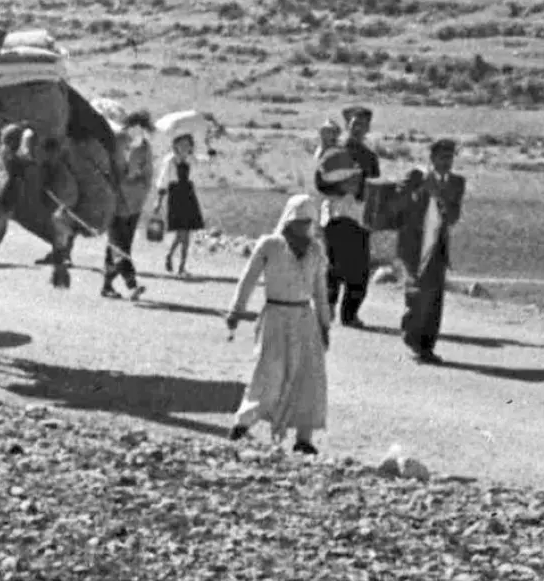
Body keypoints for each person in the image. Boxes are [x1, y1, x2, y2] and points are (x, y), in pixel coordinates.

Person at [226, 194, 330, 455]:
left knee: (308, 378)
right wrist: (236, 309)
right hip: (275, 317)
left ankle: (303, 438)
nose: (304, 226)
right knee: (269, 372)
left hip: (305, 321)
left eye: (308, 221)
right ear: (289, 219)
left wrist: (325, 324)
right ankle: (243, 423)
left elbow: (320, 291)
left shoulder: (316, 250)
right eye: (299, 220)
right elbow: (248, 279)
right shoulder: (270, 245)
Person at [397, 138, 465, 363]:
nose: (446, 162)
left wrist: (440, 196)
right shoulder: (416, 176)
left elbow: (454, 217)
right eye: (442, 157)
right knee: (417, 292)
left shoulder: (456, 183)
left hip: (437, 245)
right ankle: (412, 336)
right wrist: (420, 191)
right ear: (432, 158)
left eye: (450, 157)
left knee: (435, 297)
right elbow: (400, 203)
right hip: (414, 244)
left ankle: (426, 346)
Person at [317, 106, 379, 327]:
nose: (359, 128)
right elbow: (321, 181)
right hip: (336, 214)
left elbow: (373, 188)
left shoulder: (370, 156)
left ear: (368, 127)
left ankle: (349, 314)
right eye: (355, 124)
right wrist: (343, 187)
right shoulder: (333, 151)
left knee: (360, 267)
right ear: (347, 125)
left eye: (363, 124)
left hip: (360, 217)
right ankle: (328, 307)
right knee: (334, 265)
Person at [103, 112, 155, 299]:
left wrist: (135, 186)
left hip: (134, 204)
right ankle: (132, 285)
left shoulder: (145, 149)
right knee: (119, 246)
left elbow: (148, 177)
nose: (137, 133)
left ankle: (106, 285)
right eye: (134, 128)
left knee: (119, 246)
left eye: (142, 130)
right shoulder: (113, 144)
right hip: (113, 203)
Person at [157, 132, 205, 277]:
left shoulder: (192, 159)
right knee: (181, 233)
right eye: (182, 144)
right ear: (175, 145)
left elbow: (204, 162)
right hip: (176, 195)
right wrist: (158, 201)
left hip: (189, 194)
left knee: (186, 233)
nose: (185, 147)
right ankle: (173, 258)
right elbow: (163, 181)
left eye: (188, 144)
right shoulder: (170, 160)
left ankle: (180, 265)